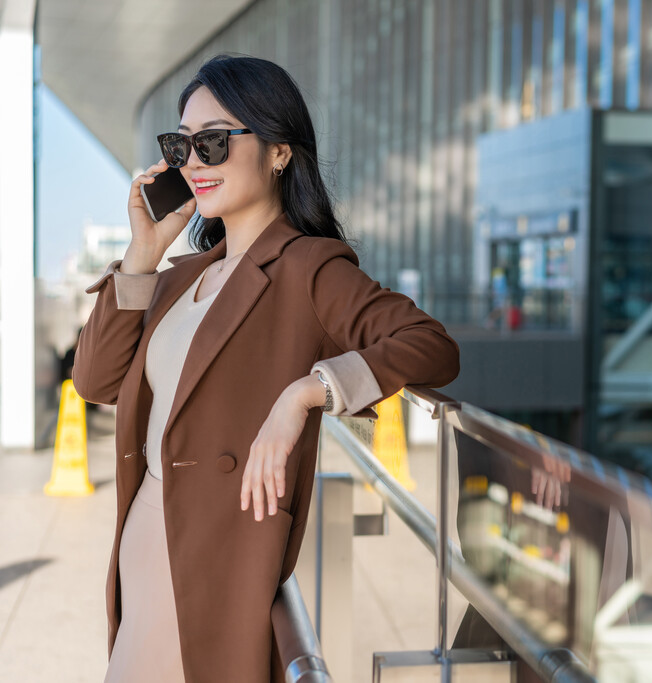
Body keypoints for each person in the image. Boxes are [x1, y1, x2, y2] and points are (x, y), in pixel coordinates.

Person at [72, 54, 460, 683]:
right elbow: (94, 382)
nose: (194, 162)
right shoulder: (177, 276)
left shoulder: (308, 267)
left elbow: (430, 344)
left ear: (279, 152)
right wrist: (142, 255)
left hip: (213, 554)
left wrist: (308, 393)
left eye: (215, 142)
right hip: (141, 541)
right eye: (183, 146)